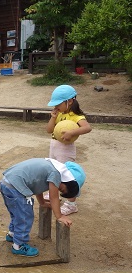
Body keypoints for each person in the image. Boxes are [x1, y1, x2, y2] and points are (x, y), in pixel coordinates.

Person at [0, 158, 85, 257]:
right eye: (61, 188)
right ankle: (18, 246)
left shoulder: (51, 167)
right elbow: (54, 197)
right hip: (15, 187)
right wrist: (59, 216)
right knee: (25, 216)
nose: (58, 189)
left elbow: (37, 187)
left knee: (17, 213)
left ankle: (13, 234)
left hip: (7, 183)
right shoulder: (56, 174)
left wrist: (42, 202)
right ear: (68, 180)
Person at [46, 85, 92, 215]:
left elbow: (87, 128)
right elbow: (49, 130)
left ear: (70, 101)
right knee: (53, 171)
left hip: (66, 149)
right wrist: (53, 117)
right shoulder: (59, 114)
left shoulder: (76, 116)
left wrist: (72, 132)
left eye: (58, 104)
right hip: (54, 146)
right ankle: (53, 194)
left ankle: (71, 204)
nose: (55, 107)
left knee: (67, 176)